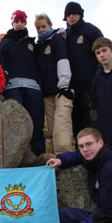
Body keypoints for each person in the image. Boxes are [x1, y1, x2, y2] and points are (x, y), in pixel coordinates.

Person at [0, 10, 45, 156]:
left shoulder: (32, 43)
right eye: (16, 22)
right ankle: (15, 156)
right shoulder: (4, 43)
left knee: (36, 122)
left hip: (33, 87)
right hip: (12, 87)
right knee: (15, 122)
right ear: (12, 23)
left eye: (22, 22)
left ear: (25, 23)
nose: (19, 24)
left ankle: (39, 155)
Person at [63, 1, 103, 141]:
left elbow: (101, 53)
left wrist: (97, 79)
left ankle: (96, 155)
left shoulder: (91, 30)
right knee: (76, 125)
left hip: (90, 87)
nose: (71, 17)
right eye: (68, 14)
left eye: (74, 13)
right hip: (72, 90)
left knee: (92, 123)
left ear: (80, 15)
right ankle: (80, 156)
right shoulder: (64, 35)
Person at [35, 13, 73, 154]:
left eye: (43, 26)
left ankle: (65, 157)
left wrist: (64, 85)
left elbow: (63, 61)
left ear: (50, 25)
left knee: (62, 124)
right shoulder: (39, 45)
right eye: (38, 27)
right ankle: (55, 159)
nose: (41, 29)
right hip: (46, 92)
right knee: (51, 128)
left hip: (61, 90)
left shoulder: (57, 39)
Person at [91, 37, 112, 153]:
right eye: (98, 53)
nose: (101, 55)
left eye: (104, 50)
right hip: (107, 137)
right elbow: (94, 108)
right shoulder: (96, 80)